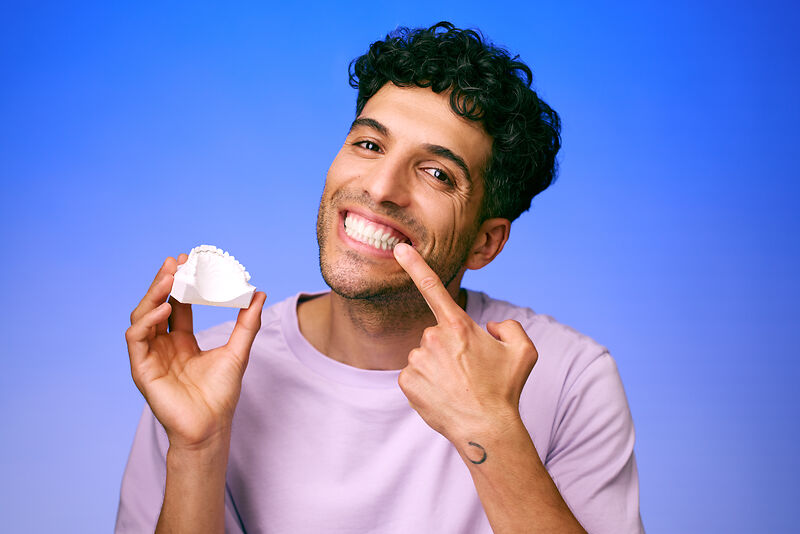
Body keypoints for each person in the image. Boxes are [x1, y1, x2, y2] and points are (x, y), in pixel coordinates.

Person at [117, 22, 644, 534]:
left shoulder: (569, 377)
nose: (380, 187)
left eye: (437, 174)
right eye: (369, 145)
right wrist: (197, 447)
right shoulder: (202, 370)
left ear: (485, 242)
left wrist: (493, 431)